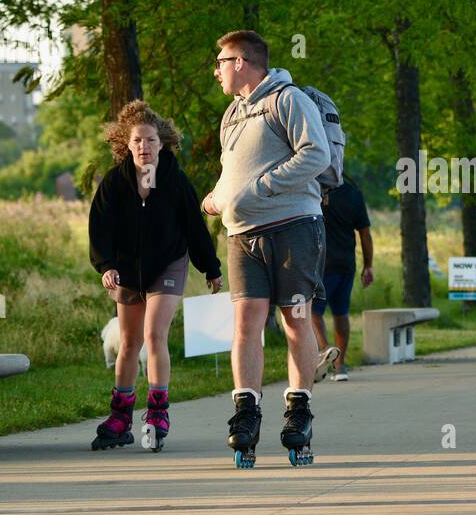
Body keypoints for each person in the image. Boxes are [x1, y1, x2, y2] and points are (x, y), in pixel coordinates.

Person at [201, 30, 331, 468]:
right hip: (242, 236)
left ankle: (298, 412)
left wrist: (261, 188)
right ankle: (246, 413)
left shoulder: (288, 100)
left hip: (293, 226)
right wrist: (217, 197)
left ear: (240, 62)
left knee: (296, 321)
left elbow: (317, 155)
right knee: (246, 324)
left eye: (220, 61)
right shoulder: (231, 116)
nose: (215, 69)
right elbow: (230, 173)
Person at [88, 100, 223, 452]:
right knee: (129, 342)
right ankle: (120, 416)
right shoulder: (114, 184)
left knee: (153, 333)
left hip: (168, 264)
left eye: (150, 140)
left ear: (161, 143)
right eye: (137, 142)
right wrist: (106, 266)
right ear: (126, 145)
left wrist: (210, 267)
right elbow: (99, 230)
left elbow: (195, 227)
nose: (144, 148)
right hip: (128, 270)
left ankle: (157, 413)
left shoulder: (175, 181)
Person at [311, 176, 374, 381]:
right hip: (346, 264)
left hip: (320, 263)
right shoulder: (353, 191)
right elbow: (365, 233)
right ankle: (340, 366)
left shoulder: (313, 188)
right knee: (341, 313)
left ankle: (325, 350)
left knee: (313, 311)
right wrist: (368, 266)